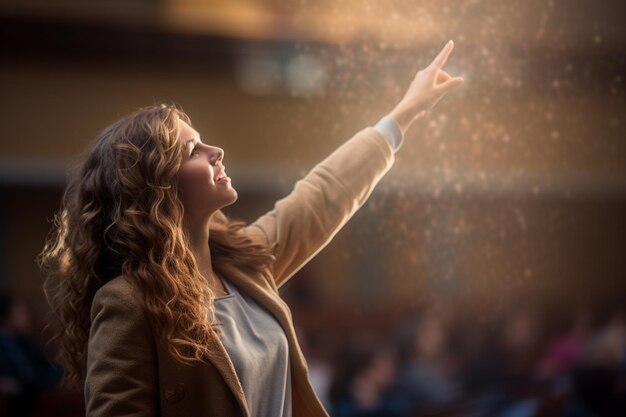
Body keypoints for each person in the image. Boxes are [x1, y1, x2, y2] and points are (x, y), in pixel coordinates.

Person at [38, 40, 464, 417]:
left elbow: (322, 195)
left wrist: (405, 112)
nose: (216, 150)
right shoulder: (128, 304)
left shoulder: (244, 265)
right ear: (155, 187)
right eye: (192, 150)